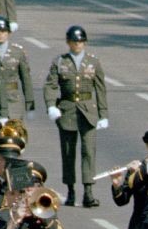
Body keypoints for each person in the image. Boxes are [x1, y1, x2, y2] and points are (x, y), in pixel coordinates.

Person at [44, 24, 110, 208]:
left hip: (88, 111)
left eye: (80, 41)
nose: (77, 44)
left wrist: (103, 114)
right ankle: (71, 190)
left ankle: (88, 191)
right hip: (67, 110)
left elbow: (100, 89)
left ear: (85, 43)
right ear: (68, 42)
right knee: (68, 152)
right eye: (74, 41)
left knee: (89, 152)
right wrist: (51, 106)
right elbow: (50, 85)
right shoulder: (60, 62)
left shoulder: (93, 62)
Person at [0, 16, 34, 123]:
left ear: (8, 33)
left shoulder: (17, 52)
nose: (0, 34)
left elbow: (26, 79)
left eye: (3, 31)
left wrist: (30, 104)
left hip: (13, 98)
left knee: (14, 134)